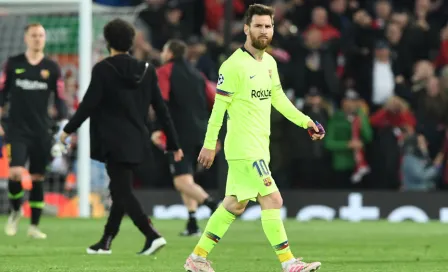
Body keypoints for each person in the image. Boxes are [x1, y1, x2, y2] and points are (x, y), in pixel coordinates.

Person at [183, 4, 324, 272]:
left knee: (235, 205)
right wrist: (209, 144)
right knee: (273, 200)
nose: (263, 31)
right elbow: (218, 109)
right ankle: (289, 263)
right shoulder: (233, 65)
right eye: (258, 25)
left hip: (260, 145)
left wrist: (306, 122)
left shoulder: (269, 63)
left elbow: (279, 99)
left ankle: (197, 258)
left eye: (268, 26)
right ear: (246, 28)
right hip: (244, 147)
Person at [60, 18, 183, 255]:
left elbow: (87, 106)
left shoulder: (103, 69)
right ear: (130, 42)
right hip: (137, 139)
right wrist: (174, 144)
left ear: (108, 42)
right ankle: (106, 241)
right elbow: (162, 110)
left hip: (113, 140)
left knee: (122, 192)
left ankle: (152, 234)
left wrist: (67, 130)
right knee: (119, 191)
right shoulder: (147, 70)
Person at [1, 23, 67, 239]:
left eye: (41, 35)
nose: (38, 39)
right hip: (16, 129)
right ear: (25, 38)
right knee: (16, 172)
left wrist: (64, 123)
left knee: (38, 177)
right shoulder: (13, 64)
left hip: (41, 130)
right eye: (34, 35)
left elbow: (60, 97)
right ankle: (15, 210)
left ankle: (34, 227)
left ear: (45, 39)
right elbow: (2, 94)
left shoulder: (52, 67)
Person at [153, 39, 218, 236]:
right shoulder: (198, 75)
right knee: (187, 179)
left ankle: (214, 206)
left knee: (180, 182)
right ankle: (192, 224)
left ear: (170, 53)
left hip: (178, 134)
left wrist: (158, 129)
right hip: (200, 133)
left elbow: (161, 101)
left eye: (164, 50)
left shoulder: (164, 71)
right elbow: (214, 99)